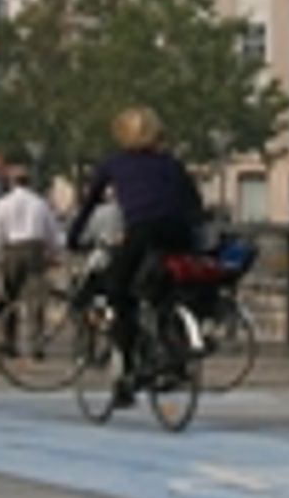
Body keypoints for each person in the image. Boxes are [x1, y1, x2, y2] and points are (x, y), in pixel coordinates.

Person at [67, 107, 204, 409]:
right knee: (164, 289)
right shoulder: (171, 164)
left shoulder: (114, 164)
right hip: (179, 235)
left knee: (120, 293)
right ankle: (174, 355)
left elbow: (89, 204)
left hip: (142, 232)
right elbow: (195, 203)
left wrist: (73, 237)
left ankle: (128, 372)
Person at [0, 173, 66, 355]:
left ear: (12, 182)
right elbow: (52, 232)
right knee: (36, 300)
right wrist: (55, 253)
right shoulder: (40, 203)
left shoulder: (3, 203)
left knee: (8, 297)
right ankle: (36, 344)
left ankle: (9, 342)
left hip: (12, 250)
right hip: (35, 250)